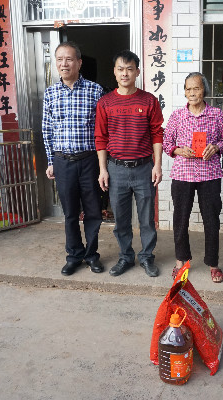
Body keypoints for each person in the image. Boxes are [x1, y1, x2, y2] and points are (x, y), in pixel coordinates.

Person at [95, 50, 163, 278]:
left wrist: (157, 165)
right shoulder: (105, 103)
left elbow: (157, 134)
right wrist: (103, 169)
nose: (125, 73)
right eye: (121, 69)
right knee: (121, 220)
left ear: (137, 72)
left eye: (130, 69)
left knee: (147, 219)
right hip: (116, 169)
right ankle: (125, 256)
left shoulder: (149, 101)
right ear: (114, 72)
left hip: (144, 168)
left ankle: (146, 257)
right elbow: (101, 138)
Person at [42, 41, 105, 276]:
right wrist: (51, 161)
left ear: (79, 62)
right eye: (59, 59)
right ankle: (74, 255)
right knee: (69, 213)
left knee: (93, 212)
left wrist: (102, 165)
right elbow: (47, 130)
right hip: (63, 162)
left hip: (89, 161)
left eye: (69, 59)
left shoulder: (95, 91)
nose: (64, 64)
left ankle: (92, 255)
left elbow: (102, 130)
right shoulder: (50, 93)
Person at [163, 72, 223, 283]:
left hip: (209, 174)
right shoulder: (177, 116)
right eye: (188, 89)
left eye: (196, 88)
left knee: (211, 219)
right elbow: (167, 143)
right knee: (180, 219)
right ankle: (181, 261)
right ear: (184, 92)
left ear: (204, 90)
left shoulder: (216, 114)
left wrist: (215, 147)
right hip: (183, 174)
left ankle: (213, 263)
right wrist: (179, 150)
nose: (192, 93)